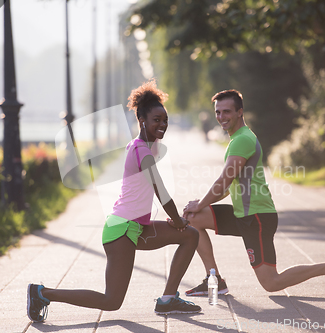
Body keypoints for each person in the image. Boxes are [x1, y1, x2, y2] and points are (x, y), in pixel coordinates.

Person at [27, 79, 201, 323]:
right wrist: (177, 220)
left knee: (190, 235)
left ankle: (168, 299)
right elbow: (161, 192)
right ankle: (42, 293)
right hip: (121, 230)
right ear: (142, 121)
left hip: (137, 227)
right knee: (112, 302)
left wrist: (176, 223)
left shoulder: (144, 147)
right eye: (156, 120)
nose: (162, 124)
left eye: (165, 120)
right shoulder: (142, 151)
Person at [183, 89, 325, 297]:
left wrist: (199, 204)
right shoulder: (237, 138)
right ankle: (214, 279)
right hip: (242, 214)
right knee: (193, 219)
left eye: (226, 111)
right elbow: (227, 187)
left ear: (240, 112)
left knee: (271, 283)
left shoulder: (242, 140)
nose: (221, 117)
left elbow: (224, 180)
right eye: (218, 112)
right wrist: (199, 206)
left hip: (257, 218)